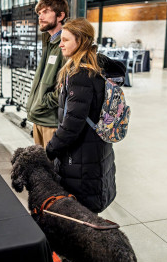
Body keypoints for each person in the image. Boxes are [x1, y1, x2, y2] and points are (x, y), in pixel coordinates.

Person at [45, 18, 126, 214]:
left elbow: (72, 124)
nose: (60, 43)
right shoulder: (96, 68)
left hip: (80, 158)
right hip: (96, 150)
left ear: (80, 41)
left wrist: (49, 150)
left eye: (66, 40)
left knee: (82, 217)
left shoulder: (80, 74)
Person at [26, 0, 69, 148]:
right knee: (41, 167)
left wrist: (43, 102)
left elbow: (66, 88)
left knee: (51, 169)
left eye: (45, 12)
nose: (41, 17)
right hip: (39, 118)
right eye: (39, 13)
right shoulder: (48, 42)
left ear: (60, 15)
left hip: (51, 121)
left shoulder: (65, 45)